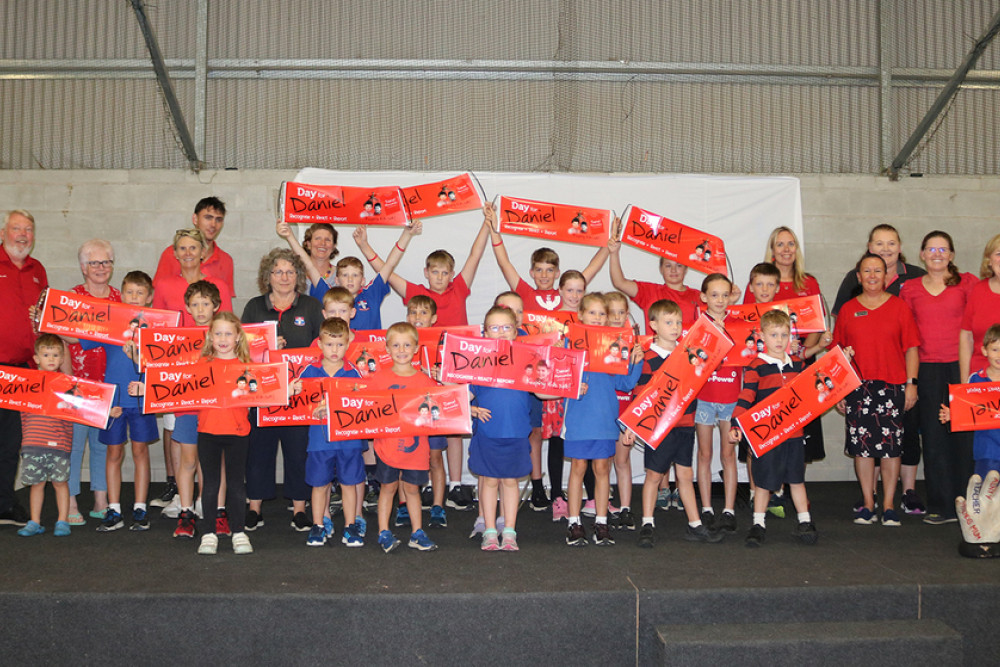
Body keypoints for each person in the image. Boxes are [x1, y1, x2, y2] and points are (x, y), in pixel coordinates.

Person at [367, 210, 490, 513]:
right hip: (419, 373)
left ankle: (456, 483)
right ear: (426, 272)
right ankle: (409, 496)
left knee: (455, 426)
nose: (439, 277)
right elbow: (386, 271)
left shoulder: (459, 288)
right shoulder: (415, 295)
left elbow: (475, 255)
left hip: (451, 371)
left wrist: (488, 224)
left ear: (451, 273)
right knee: (419, 435)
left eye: (444, 272)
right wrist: (364, 245)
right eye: (434, 272)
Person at [834, 224, 927, 512]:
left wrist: (911, 383)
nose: (873, 275)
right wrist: (838, 391)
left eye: (878, 271)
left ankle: (888, 505)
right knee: (862, 449)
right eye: (867, 271)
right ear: (858, 276)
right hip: (858, 389)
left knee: (890, 450)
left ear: (886, 275)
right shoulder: (849, 310)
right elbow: (838, 354)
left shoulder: (900, 307)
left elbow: (911, 348)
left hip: (893, 387)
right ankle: (867, 502)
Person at [241, 248, 324, 531]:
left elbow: (321, 348)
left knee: (298, 452)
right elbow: (242, 350)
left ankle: (299, 509)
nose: (284, 277)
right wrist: (267, 347)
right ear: (268, 276)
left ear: (298, 276)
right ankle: (254, 508)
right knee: (258, 452)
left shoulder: (312, 306)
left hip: (300, 395)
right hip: (263, 395)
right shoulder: (254, 306)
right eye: (278, 271)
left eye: (290, 271)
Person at [900, 231, 976, 524]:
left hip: (961, 368)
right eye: (931, 249)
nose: (937, 254)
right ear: (921, 254)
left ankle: (967, 504)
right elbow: (908, 338)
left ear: (952, 255)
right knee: (932, 438)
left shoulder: (967, 283)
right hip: (927, 369)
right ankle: (942, 506)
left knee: (963, 436)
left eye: (943, 249)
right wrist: (912, 379)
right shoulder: (910, 289)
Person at [634, 300, 723, 548]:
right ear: (653, 325)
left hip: (685, 423)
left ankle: (694, 524)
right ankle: (647, 523)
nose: (675, 327)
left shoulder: (688, 353)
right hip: (660, 428)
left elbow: (708, 367)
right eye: (668, 322)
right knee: (653, 474)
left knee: (685, 473)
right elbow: (641, 393)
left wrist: (718, 335)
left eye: (678, 322)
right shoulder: (648, 358)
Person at [558, 293, 642, 547]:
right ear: (580, 315)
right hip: (578, 417)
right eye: (592, 312)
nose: (597, 317)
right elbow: (558, 378)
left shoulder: (614, 346)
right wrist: (573, 385)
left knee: (603, 469)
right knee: (578, 469)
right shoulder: (568, 342)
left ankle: (602, 522)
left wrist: (635, 362)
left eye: (602, 313)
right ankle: (574, 522)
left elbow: (625, 383)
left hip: (606, 417)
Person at [730, 310, 818, 547]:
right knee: (763, 483)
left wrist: (845, 360)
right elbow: (746, 397)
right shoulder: (756, 366)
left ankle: (804, 521)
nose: (779, 340)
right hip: (767, 437)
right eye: (774, 335)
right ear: (762, 336)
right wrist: (735, 423)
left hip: (794, 435)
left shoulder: (799, 365)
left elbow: (817, 389)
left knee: (796, 479)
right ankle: (758, 524)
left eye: (784, 335)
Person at [84, 271, 160, 533]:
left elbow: (163, 362)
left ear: (149, 297)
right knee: (113, 452)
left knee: (140, 451)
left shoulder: (156, 328)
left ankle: (140, 507)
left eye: (140, 293)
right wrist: (48, 322)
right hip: (114, 399)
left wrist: (137, 354)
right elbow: (78, 333)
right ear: (121, 294)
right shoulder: (111, 322)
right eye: (129, 292)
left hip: (141, 398)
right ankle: (113, 508)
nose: (134, 297)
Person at [468, 306, 534, 551]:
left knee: (510, 482)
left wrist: (571, 385)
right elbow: (461, 396)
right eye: (494, 328)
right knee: (490, 482)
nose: (501, 332)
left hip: (516, 433)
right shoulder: (478, 364)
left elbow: (543, 390)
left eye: (506, 327)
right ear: (485, 333)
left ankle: (509, 531)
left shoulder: (526, 360)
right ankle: (489, 530)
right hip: (488, 433)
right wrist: (472, 410)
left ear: (516, 332)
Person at [371, 322, 439, 553]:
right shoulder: (378, 379)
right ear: (387, 348)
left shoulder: (425, 380)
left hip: (416, 449)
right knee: (388, 488)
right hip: (387, 447)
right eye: (396, 345)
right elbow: (364, 407)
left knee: (412, 489)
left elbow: (439, 408)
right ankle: (383, 531)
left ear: (416, 348)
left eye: (407, 345)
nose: (401, 350)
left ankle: (417, 533)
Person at [66, 239, 120, 524]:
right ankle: (71, 502)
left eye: (106, 262)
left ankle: (101, 498)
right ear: (83, 267)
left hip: (108, 385)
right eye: (95, 263)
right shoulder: (71, 299)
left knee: (102, 445)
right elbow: (61, 336)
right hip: (76, 383)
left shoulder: (119, 299)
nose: (101, 268)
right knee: (73, 446)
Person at [193, 313, 256, 556]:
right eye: (218, 333)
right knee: (210, 484)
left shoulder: (249, 368)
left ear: (238, 337)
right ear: (210, 336)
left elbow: (268, 392)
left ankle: (238, 531)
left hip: (238, 433)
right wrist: (148, 389)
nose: (222, 338)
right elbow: (175, 389)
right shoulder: (201, 366)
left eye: (228, 333)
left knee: (236, 485)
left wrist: (288, 389)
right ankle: (209, 532)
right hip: (208, 431)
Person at [0, 210, 47, 528]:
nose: (22, 234)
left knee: (11, 443)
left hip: (23, 372)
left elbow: (46, 319)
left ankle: (4, 504)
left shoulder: (37, 270)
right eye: (16, 228)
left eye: (28, 229)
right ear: (4, 231)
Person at [302, 317, 367, 547]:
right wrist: (297, 395)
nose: (334, 350)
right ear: (319, 344)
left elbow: (362, 406)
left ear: (348, 343)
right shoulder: (309, 372)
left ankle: (350, 527)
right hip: (320, 441)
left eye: (340, 344)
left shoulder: (355, 374)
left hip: (349, 441)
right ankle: (318, 525)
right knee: (320, 485)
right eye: (329, 344)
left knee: (349, 484)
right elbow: (299, 404)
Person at [169, 281, 225, 539]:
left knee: (215, 463)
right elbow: (162, 368)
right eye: (195, 304)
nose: (200, 309)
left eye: (206, 303)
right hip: (188, 408)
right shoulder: (177, 338)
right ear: (187, 308)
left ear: (216, 306)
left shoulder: (225, 335)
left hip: (217, 410)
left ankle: (219, 512)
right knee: (189, 460)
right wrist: (138, 354)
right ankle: (186, 512)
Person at [486, 202, 609, 311]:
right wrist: (493, 229)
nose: (544, 275)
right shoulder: (525, 293)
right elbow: (504, 263)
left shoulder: (567, 293)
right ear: (532, 273)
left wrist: (609, 242)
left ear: (557, 273)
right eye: (539, 270)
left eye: (549, 270)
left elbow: (593, 267)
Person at [16, 335, 77, 537]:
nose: (51, 359)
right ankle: (34, 521)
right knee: (37, 484)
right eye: (46, 354)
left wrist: (108, 412)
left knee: (61, 483)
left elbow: (88, 408)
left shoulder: (69, 385)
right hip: (33, 443)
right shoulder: (27, 384)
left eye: (55, 355)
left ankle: (62, 520)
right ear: (36, 358)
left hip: (59, 444)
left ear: (62, 359)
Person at [694, 273, 741, 533]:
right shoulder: (697, 325)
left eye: (725, 295)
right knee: (705, 454)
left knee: (727, 454)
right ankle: (707, 508)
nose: (720, 300)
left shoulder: (740, 323)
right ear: (703, 298)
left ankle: (729, 509)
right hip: (704, 398)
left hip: (731, 399)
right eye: (714, 295)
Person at [608, 231, 701, 335]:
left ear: (686, 269)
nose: (673, 270)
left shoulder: (699, 296)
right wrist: (614, 253)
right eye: (668, 266)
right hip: (654, 351)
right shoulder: (649, 292)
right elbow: (619, 282)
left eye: (679, 266)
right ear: (661, 269)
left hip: (688, 351)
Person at [940, 324, 1000, 479]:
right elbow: (966, 409)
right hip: (986, 448)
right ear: (985, 351)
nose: (999, 355)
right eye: (995, 350)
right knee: (986, 489)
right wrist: (953, 414)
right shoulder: (975, 379)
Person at [343, 220, 423, 330]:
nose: (350, 279)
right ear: (337, 280)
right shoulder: (331, 297)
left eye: (355, 275)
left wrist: (406, 234)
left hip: (371, 347)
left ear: (363, 281)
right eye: (345, 275)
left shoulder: (371, 293)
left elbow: (389, 264)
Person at [154, 197, 234, 296]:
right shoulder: (170, 253)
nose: (213, 224)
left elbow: (224, 304)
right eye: (208, 218)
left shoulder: (226, 260)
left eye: (218, 219)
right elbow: (160, 297)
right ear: (195, 219)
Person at [960, 233, 1000, 382]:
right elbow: (966, 337)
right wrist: (964, 381)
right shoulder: (978, 290)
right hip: (980, 379)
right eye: (999, 254)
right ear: (989, 260)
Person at [276, 221, 340, 301]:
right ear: (308, 244)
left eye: (327, 240)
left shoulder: (342, 275)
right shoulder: (293, 275)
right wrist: (289, 236)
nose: (322, 243)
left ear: (333, 246)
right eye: (318, 238)